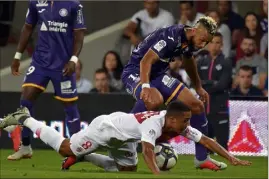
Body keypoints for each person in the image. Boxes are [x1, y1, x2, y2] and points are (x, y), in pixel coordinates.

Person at [0, 102, 252, 175]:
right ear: (172, 119)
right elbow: (147, 150)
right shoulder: (155, 124)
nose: (188, 125)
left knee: (127, 169)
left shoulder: (176, 124)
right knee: (66, 148)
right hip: (106, 129)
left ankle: (83, 158)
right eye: (185, 121)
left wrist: (232, 157)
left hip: (122, 139)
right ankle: (25, 118)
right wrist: (156, 173)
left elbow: (205, 140)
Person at [121, 16, 227, 170]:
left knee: (196, 106)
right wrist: (145, 86)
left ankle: (202, 158)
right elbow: (145, 61)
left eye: (207, 42)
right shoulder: (171, 36)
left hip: (158, 75)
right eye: (202, 39)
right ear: (194, 30)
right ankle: (125, 142)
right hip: (136, 71)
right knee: (153, 100)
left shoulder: (190, 41)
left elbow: (189, 62)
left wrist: (198, 86)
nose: (203, 45)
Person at [9, 0, 86, 160]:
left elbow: (79, 34)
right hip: (40, 63)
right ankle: (25, 146)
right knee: (25, 102)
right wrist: (17, 55)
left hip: (63, 65)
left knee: (70, 106)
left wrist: (73, 60)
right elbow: (28, 27)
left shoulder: (74, 5)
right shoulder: (35, 3)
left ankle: (77, 150)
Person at [196, 32, 232, 149]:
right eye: (211, 42)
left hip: (220, 108)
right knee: (204, 143)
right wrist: (212, 82)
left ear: (221, 45)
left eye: (217, 43)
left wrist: (205, 84)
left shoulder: (226, 62)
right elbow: (196, 83)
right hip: (204, 107)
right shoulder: (201, 62)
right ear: (207, 44)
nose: (214, 45)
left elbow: (222, 85)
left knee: (222, 143)